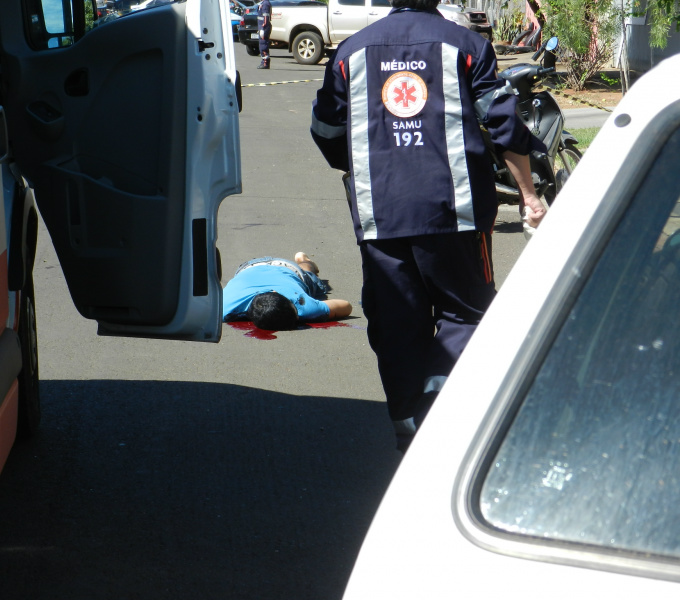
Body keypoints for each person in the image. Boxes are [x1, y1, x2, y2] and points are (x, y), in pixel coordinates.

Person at [309, 0, 547, 449]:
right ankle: (439, 403)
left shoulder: (349, 53)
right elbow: (503, 123)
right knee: (468, 315)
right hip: (453, 213)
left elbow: (326, 130)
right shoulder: (467, 45)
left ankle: (407, 425)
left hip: (381, 214)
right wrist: (530, 196)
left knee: (396, 323)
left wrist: (360, 161)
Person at [223, 252, 352, 329]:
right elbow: (347, 306)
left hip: (282, 269)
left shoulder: (224, 309)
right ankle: (304, 260)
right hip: (250, 267)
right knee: (307, 275)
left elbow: (345, 306)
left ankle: (305, 262)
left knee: (308, 276)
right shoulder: (224, 308)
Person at [257, 0, 272, 69]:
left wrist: (263, 27)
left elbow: (266, 17)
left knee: (263, 44)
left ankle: (265, 62)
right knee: (262, 44)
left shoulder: (265, 4)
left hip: (264, 27)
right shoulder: (263, 3)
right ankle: (264, 61)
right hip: (262, 27)